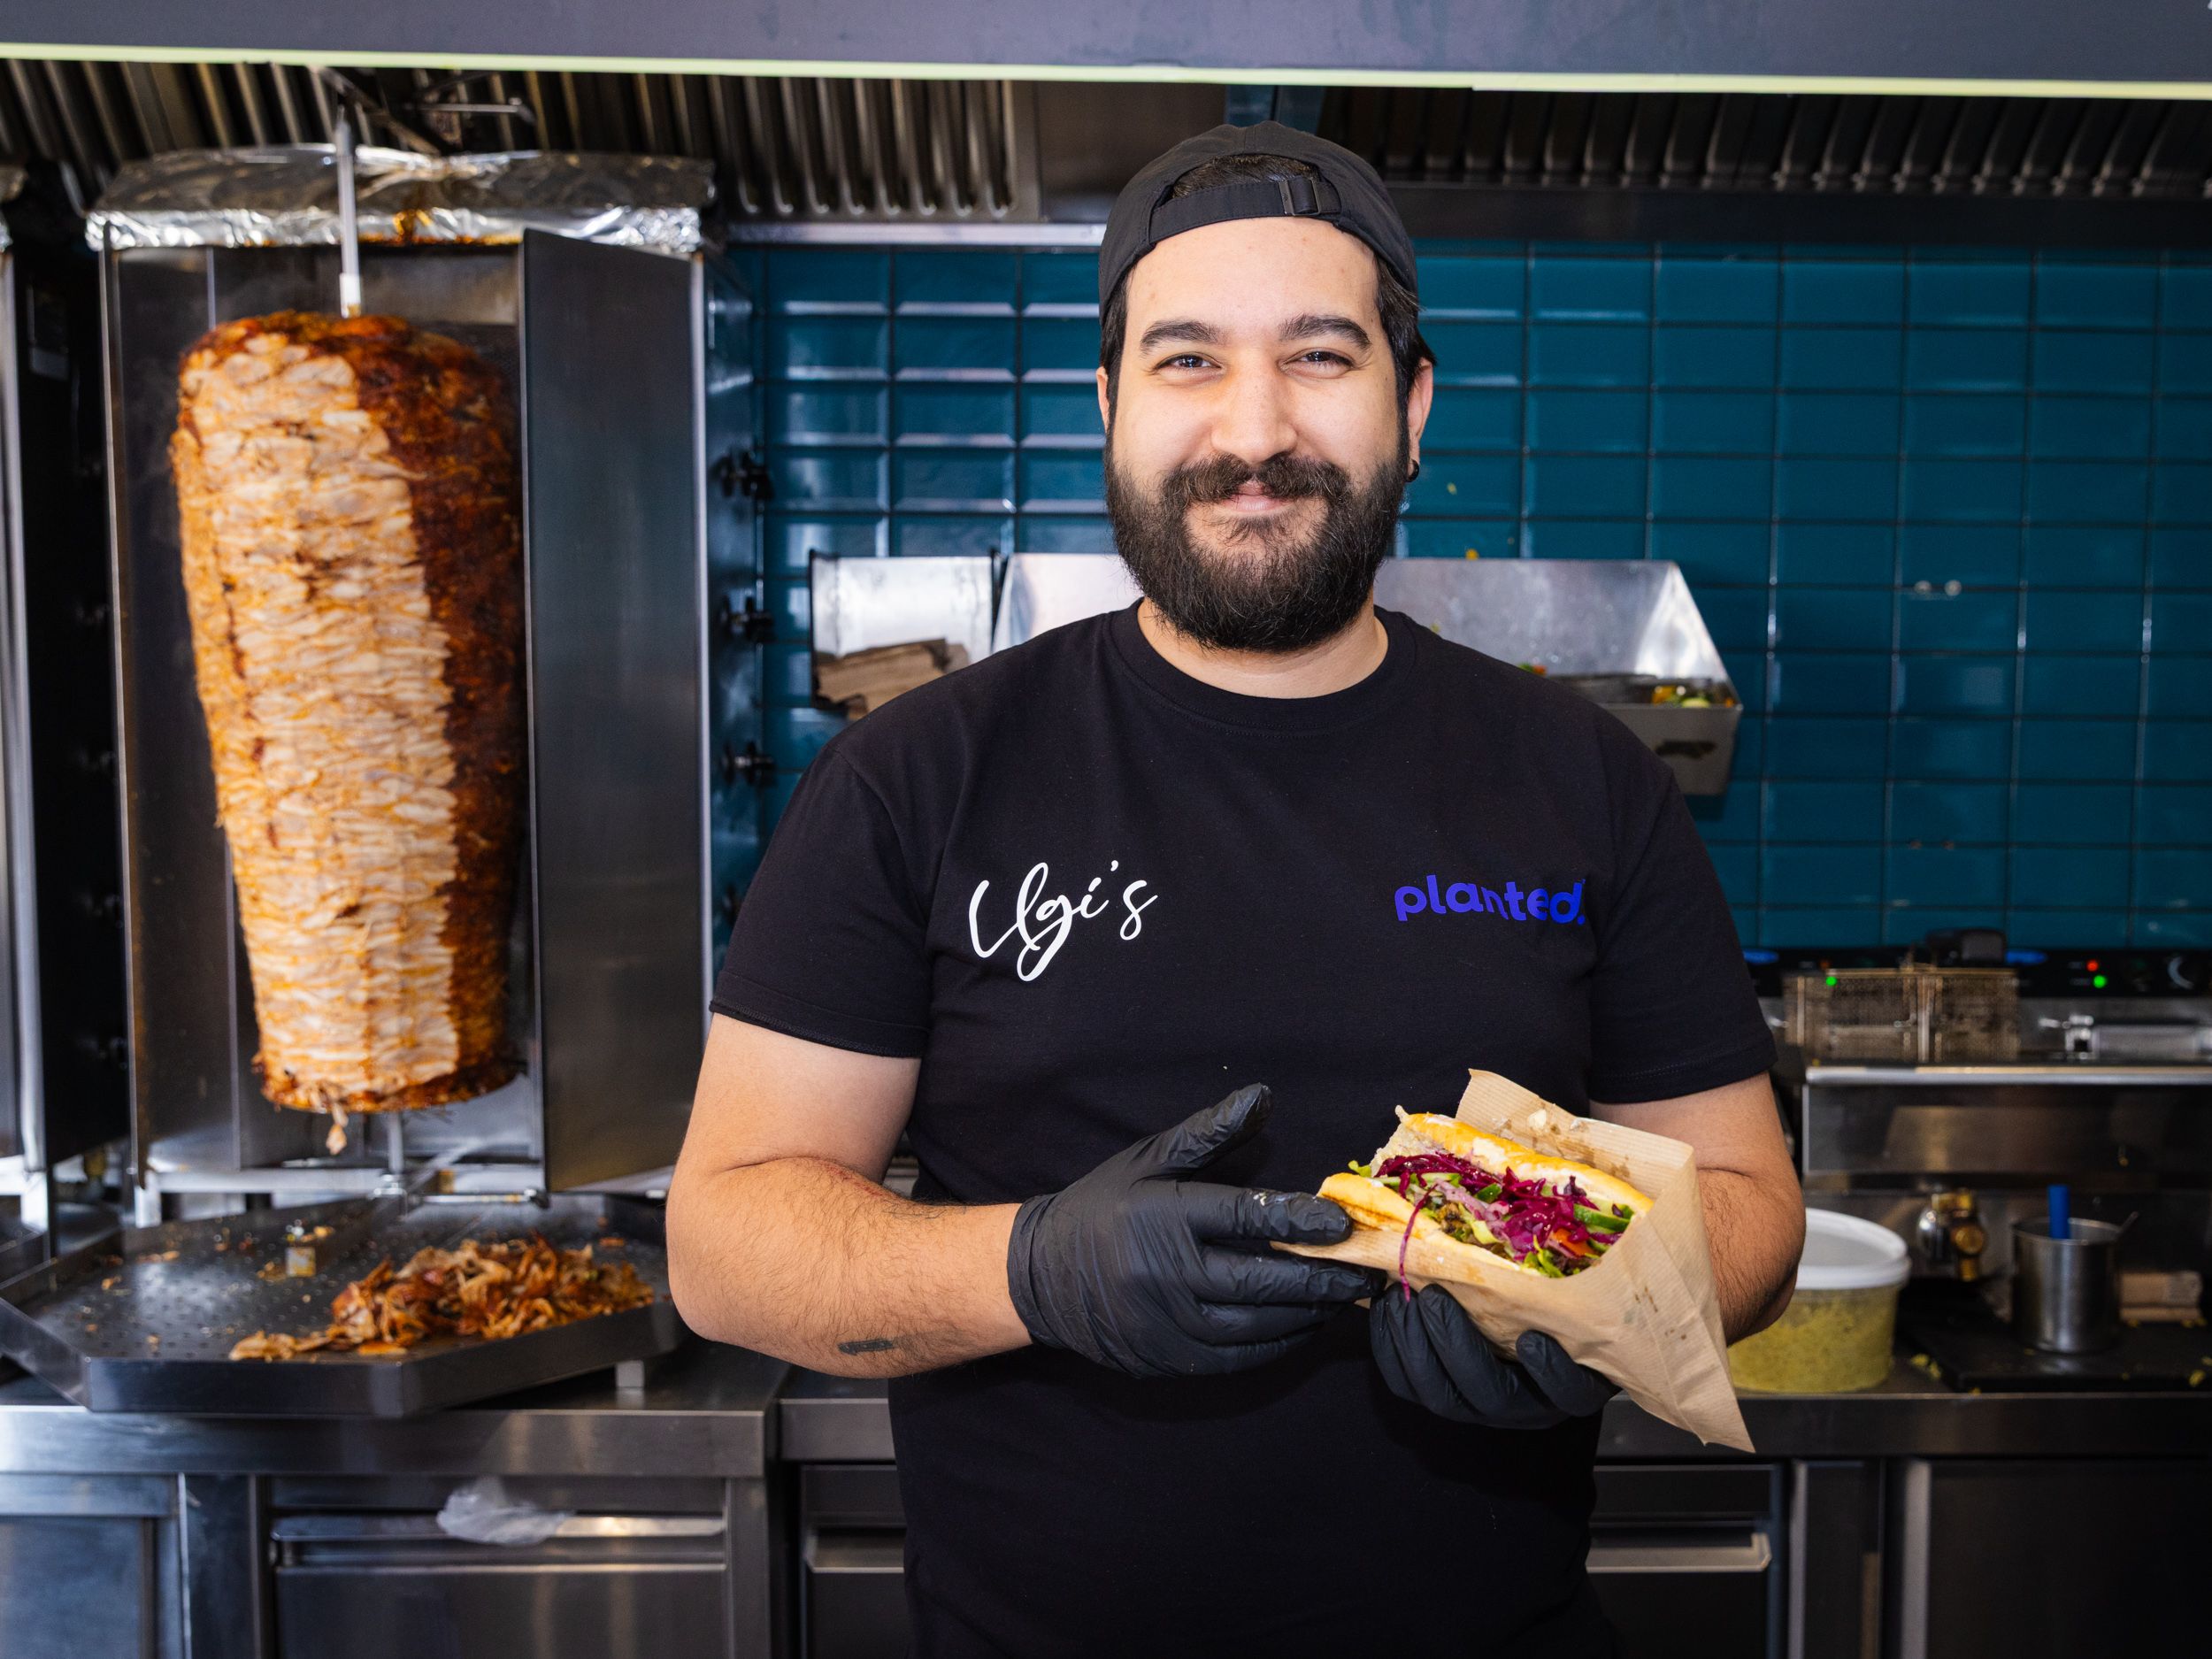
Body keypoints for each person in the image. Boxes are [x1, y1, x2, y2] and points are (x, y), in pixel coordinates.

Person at [668, 121, 1805, 1656]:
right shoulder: (917, 778)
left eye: (1321, 359)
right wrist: (1027, 1268)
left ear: (1410, 406)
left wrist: (1595, 1300)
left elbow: (1751, 1209)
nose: (1253, 429)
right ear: (1111, 408)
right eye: (1188, 361)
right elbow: (725, 1242)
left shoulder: (1580, 776)